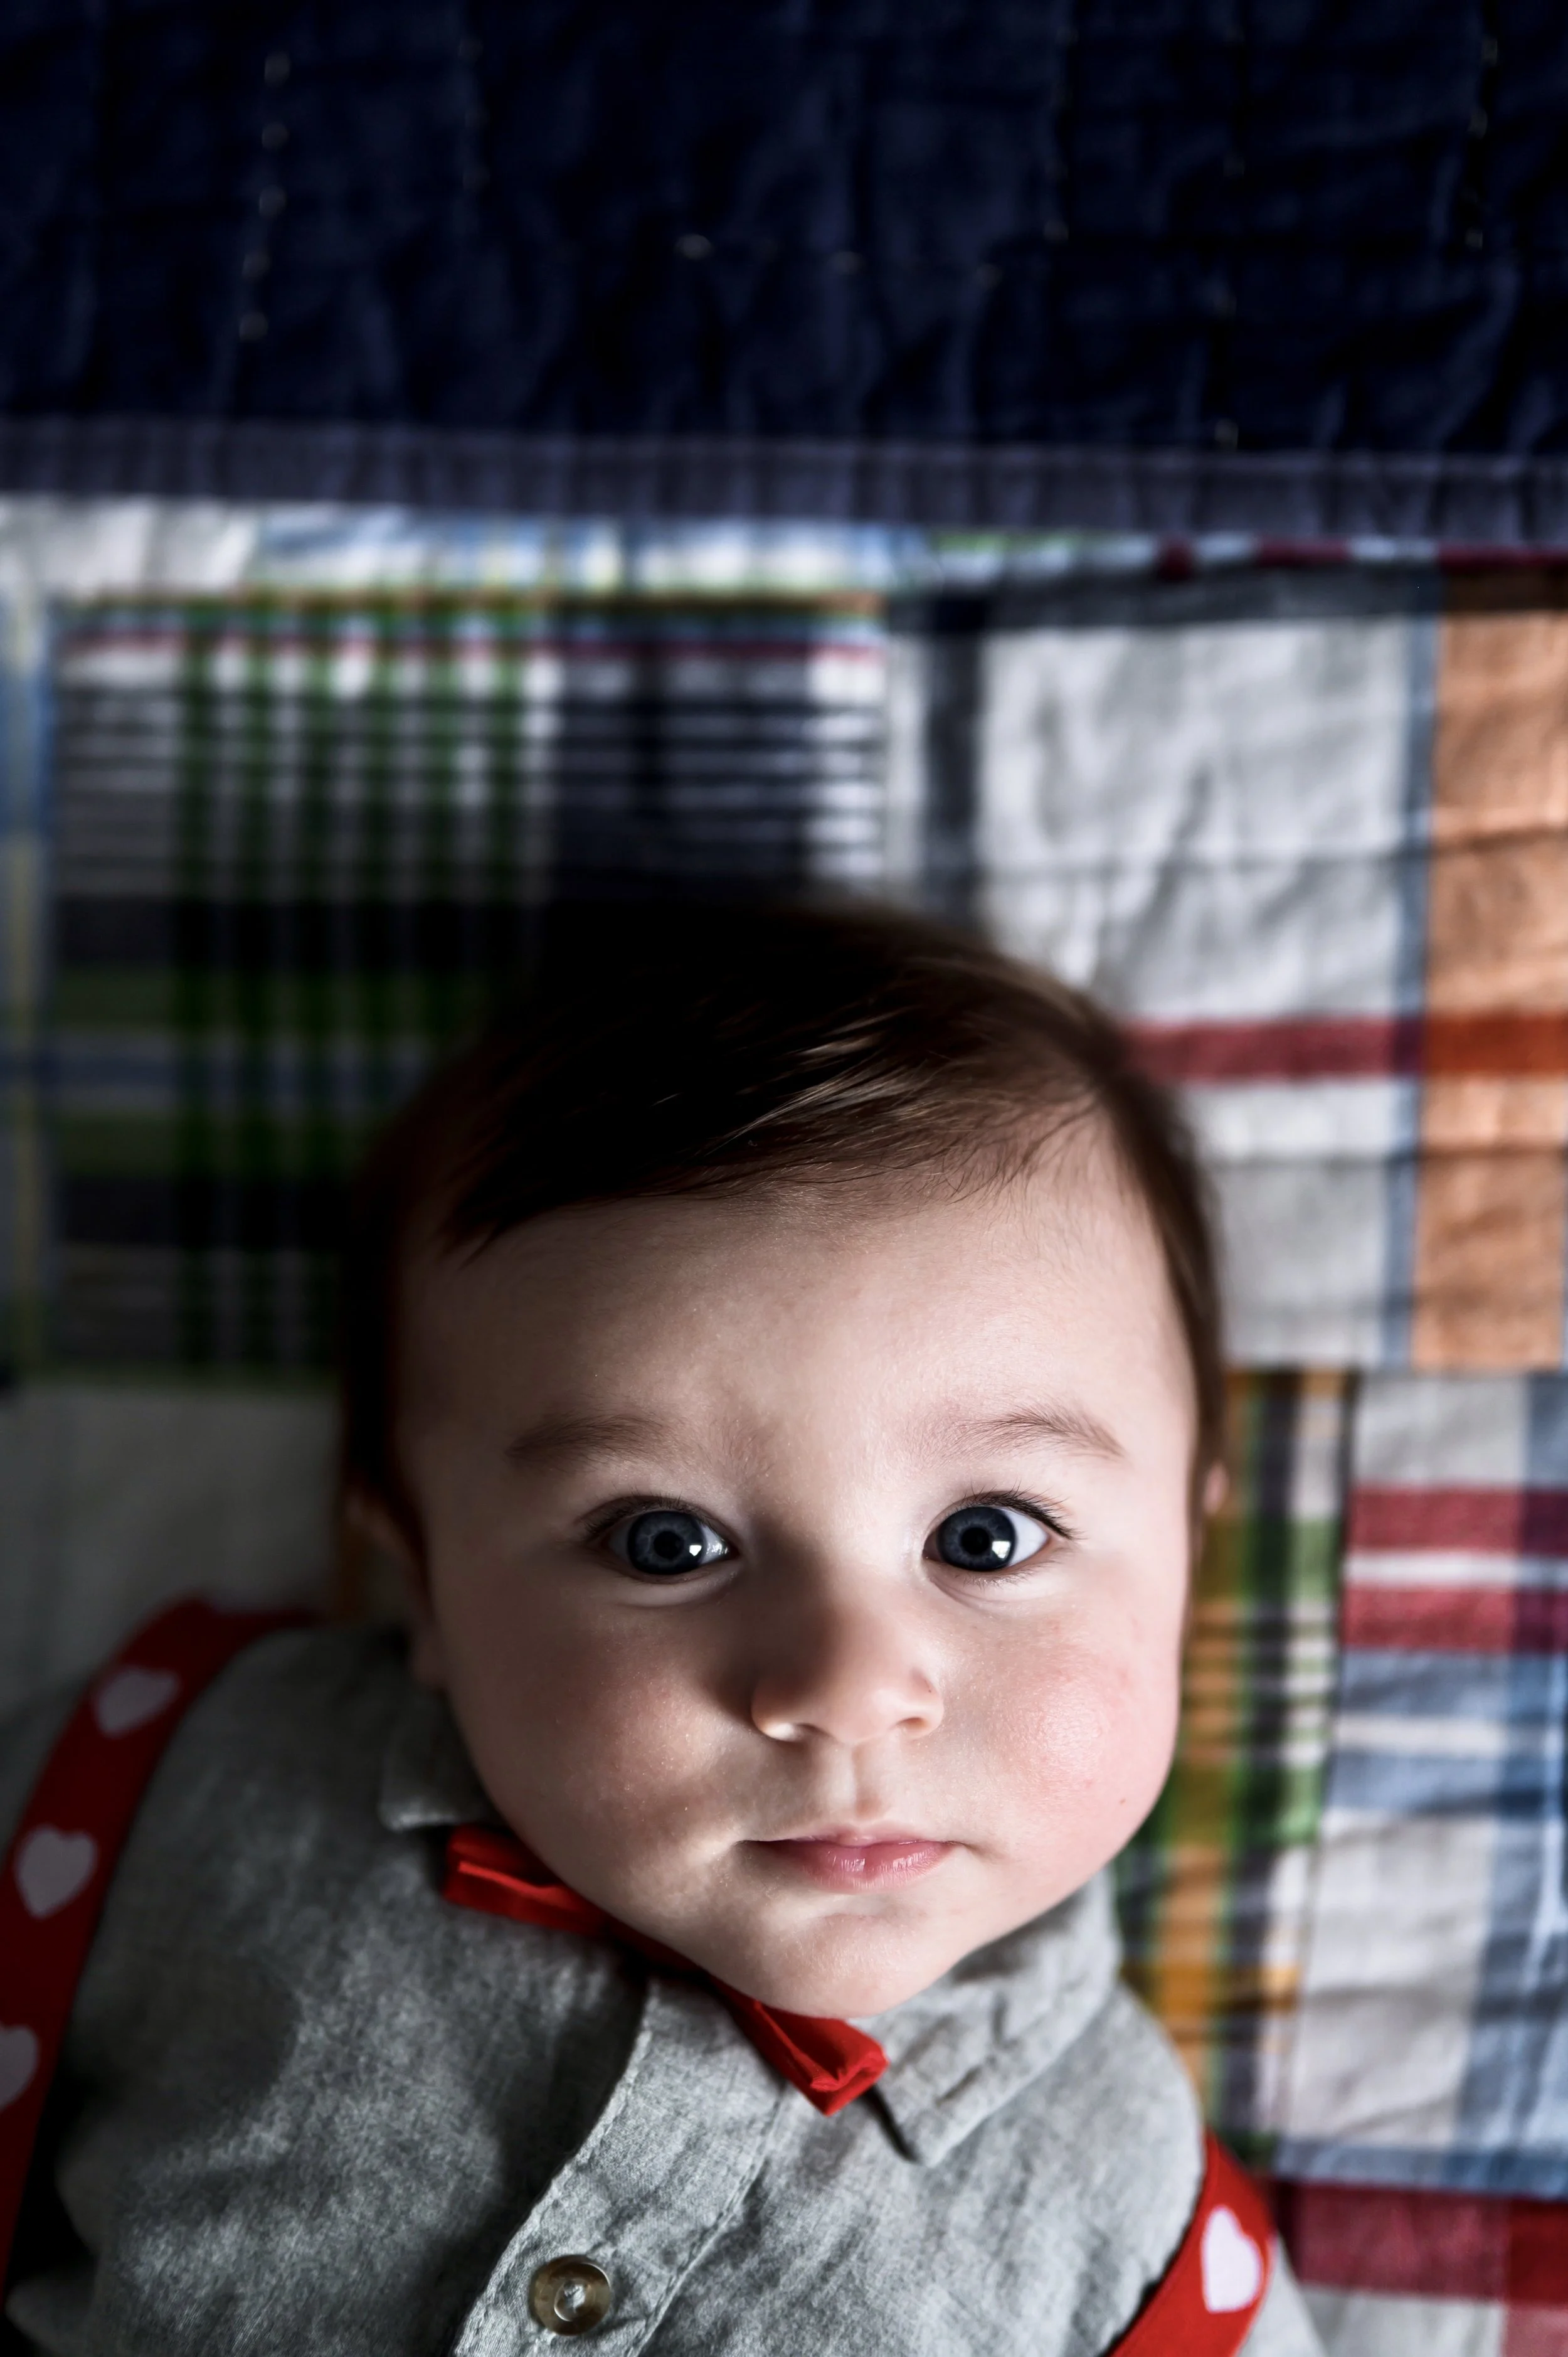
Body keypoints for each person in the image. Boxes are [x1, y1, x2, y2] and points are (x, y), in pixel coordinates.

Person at [0, 901, 1322, 2354]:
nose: (844, 1691)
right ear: (423, 1579)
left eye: (985, 1538)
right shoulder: (176, 1782)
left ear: (1186, 1552)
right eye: (665, 1543)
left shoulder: (1146, 2242)